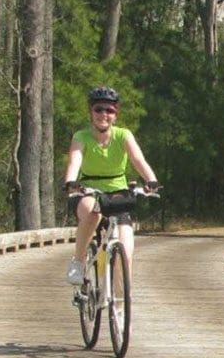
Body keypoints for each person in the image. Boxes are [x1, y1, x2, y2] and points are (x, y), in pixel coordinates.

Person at [63, 86, 160, 294]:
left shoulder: (123, 135)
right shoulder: (81, 136)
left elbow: (138, 159)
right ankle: (78, 263)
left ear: (116, 115)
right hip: (88, 191)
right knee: (91, 213)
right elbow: (75, 160)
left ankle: (120, 309)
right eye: (98, 109)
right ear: (91, 112)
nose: (103, 115)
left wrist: (151, 180)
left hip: (118, 196)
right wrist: (71, 181)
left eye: (109, 110)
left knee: (126, 249)